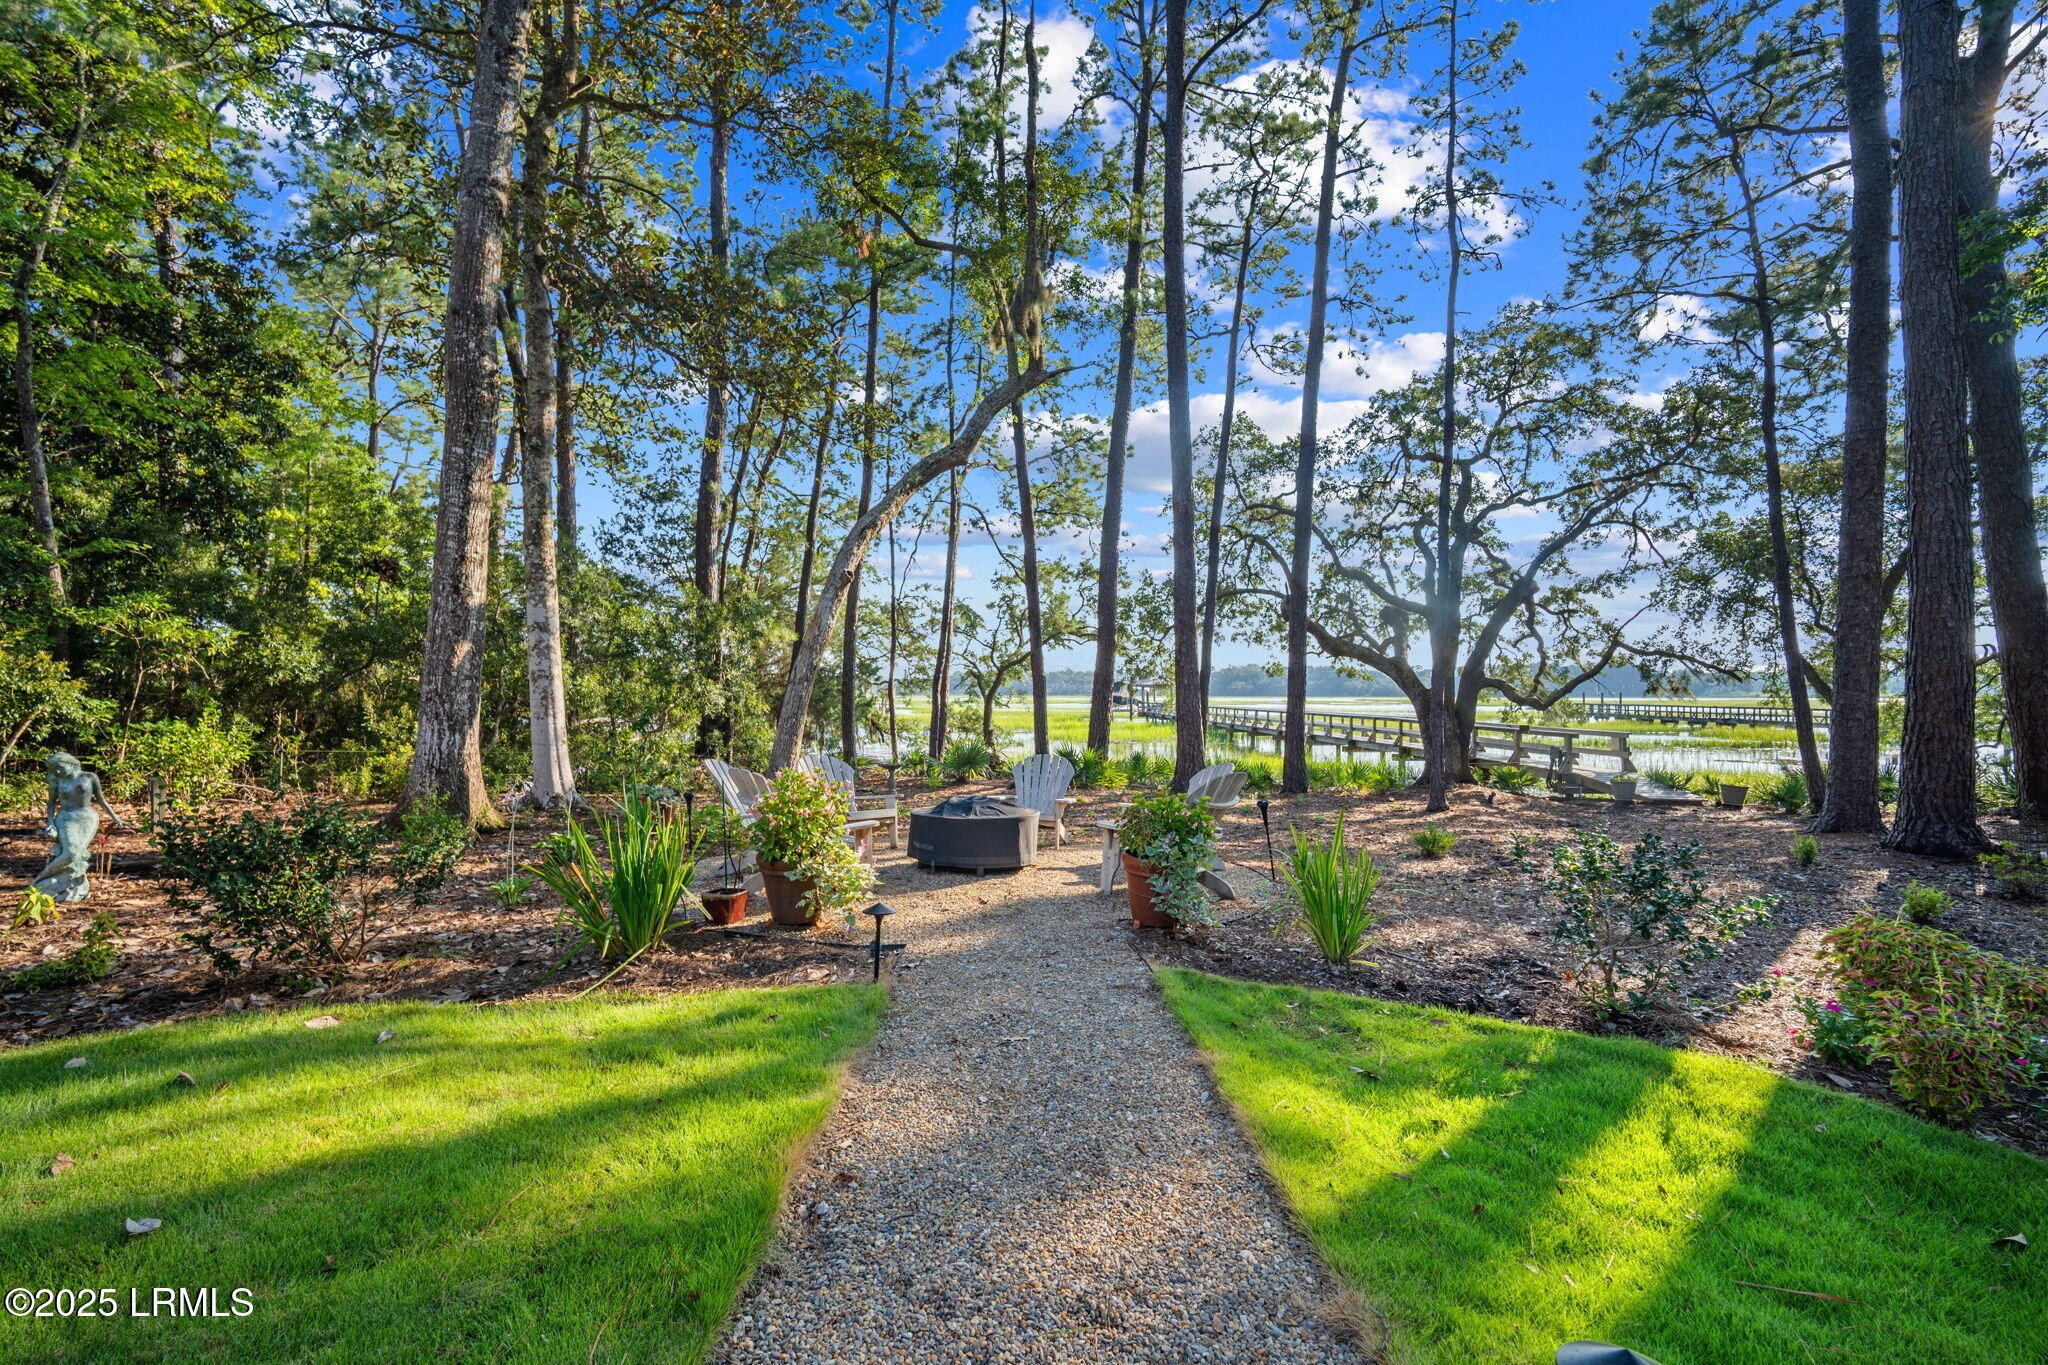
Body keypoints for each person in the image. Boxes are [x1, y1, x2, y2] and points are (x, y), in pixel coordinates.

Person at [33, 751, 124, 903]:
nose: (58, 771)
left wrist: (115, 818)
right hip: (66, 817)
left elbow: (101, 800)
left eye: (60, 767)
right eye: (54, 769)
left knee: (79, 854)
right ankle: (39, 881)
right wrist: (50, 822)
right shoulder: (58, 780)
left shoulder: (90, 777)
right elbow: (51, 803)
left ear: (70, 763)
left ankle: (75, 886)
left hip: (87, 818)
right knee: (70, 853)